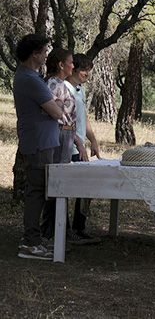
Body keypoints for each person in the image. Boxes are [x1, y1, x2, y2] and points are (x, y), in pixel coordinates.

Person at [13, 34, 62, 260]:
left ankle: (34, 239)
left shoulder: (28, 76)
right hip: (39, 143)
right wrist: (56, 106)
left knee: (39, 191)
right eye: (43, 52)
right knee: (36, 192)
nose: (45, 56)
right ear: (35, 54)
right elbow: (57, 111)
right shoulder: (30, 79)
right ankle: (31, 243)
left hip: (40, 141)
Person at [41, 47, 86, 241]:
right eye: (70, 62)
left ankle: (57, 229)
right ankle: (52, 230)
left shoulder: (60, 84)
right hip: (59, 136)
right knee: (57, 183)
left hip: (66, 136)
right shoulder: (54, 83)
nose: (73, 65)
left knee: (61, 183)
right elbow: (56, 113)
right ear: (61, 65)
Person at [64, 53, 102, 244]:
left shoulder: (80, 90)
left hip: (81, 147)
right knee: (65, 189)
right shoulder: (64, 88)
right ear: (74, 69)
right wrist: (78, 142)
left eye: (89, 70)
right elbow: (64, 121)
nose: (87, 74)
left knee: (86, 188)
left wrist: (93, 140)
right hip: (67, 147)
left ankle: (80, 227)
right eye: (83, 70)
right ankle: (65, 231)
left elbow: (83, 118)